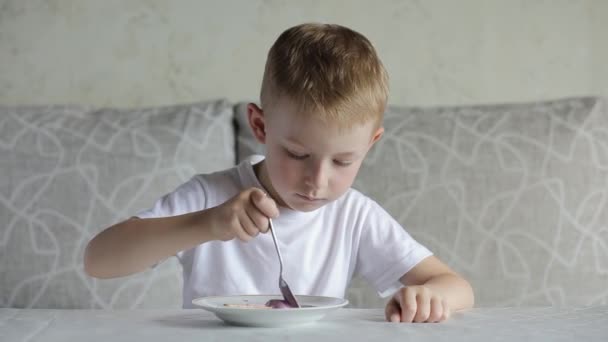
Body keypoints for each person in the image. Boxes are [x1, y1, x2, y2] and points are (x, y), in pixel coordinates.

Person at [84, 23, 474, 323]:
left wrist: (430, 297)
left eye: (342, 161)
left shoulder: (354, 217)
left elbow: (458, 288)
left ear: (370, 144)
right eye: (297, 153)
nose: (317, 181)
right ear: (260, 126)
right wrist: (207, 225)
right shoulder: (211, 197)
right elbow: (98, 260)